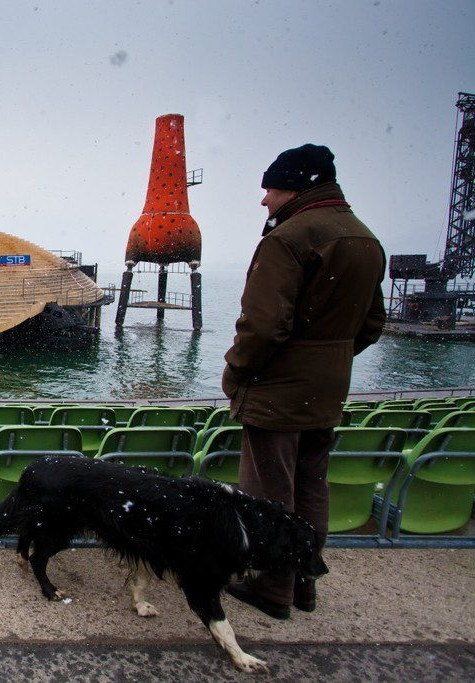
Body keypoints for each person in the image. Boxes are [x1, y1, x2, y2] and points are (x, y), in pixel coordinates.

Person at [221, 144, 386, 619]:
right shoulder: (366, 239)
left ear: (295, 187)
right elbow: (372, 324)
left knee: (269, 491)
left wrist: (236, 372)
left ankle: (272, 588)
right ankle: (303, 581)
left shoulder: (289, 238)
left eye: (270, 189)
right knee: (312, 486)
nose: (264, 199)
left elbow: (262, 327)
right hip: (328, 392)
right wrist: (328, 359)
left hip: (278, 393)